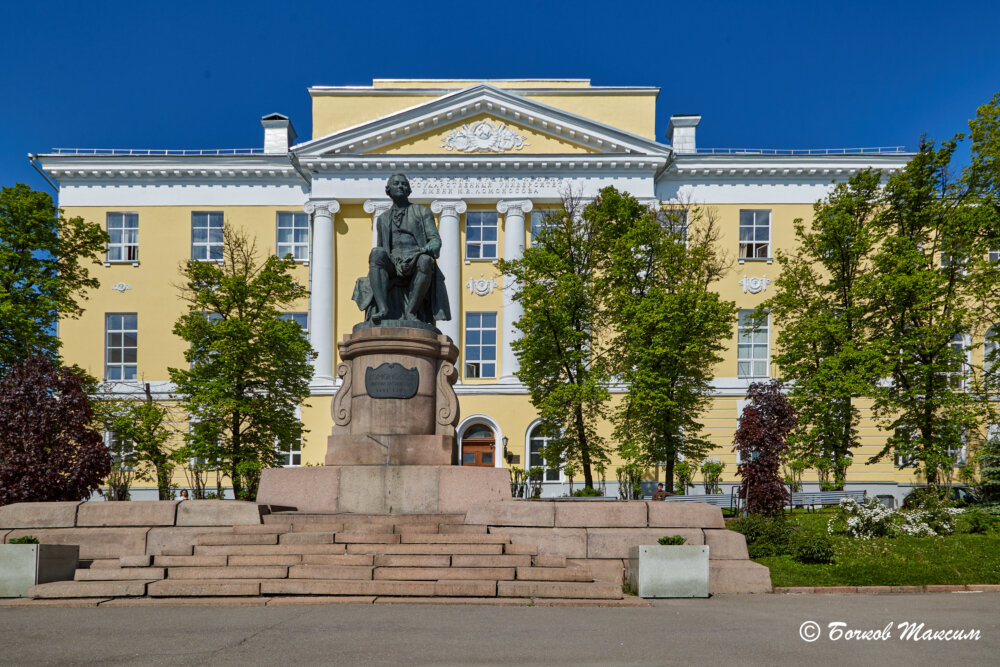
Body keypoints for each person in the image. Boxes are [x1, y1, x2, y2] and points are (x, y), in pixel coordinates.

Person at [356, 174, 451, 325]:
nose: (400, 186)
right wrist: (389, 258)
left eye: (404, 184)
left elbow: (435, 240)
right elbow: (383, 248)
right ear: (388, 190)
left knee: (426, 261)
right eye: (396, 184)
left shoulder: (422, 212)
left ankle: (411, 311)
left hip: (416, 257)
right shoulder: (383, 219)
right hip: (393, 262)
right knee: (376, 253)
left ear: (409, 190)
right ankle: (383, 309)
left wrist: (425, 249)